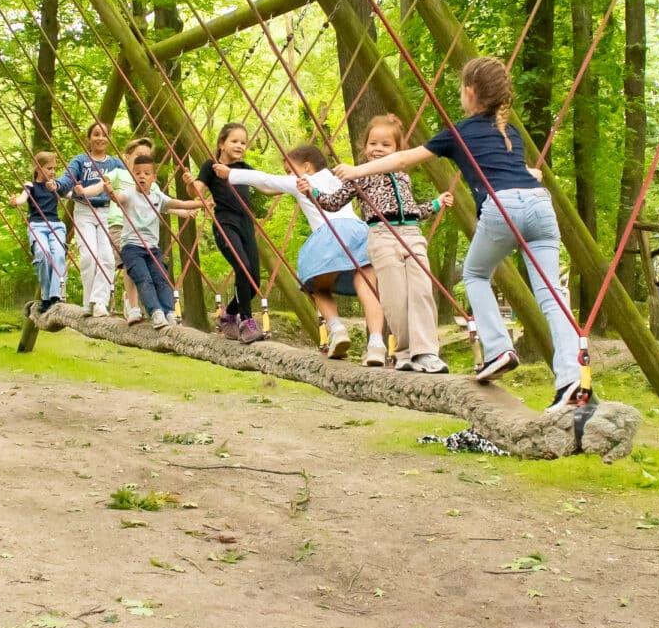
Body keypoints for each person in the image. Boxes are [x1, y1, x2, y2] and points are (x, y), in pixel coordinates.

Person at [334, 56, 583, 410]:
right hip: (540, 206)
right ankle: (570, 377)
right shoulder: (508, 131)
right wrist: (532, 173)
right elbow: (517, 169)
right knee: (552, 293)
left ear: (469, 92)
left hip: (502, 206)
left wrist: (357, 170)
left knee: (476, 273)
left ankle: (498, 349)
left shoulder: (459, 132)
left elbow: (404, 159)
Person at [300, 115, 453, 373]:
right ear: (365, 146)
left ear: (397, 150)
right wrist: (312, 193)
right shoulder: (359, 176)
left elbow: (413, 209)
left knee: (422, 291)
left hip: (412, 234)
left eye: (385, 145)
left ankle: (426, 351)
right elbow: (333, 202)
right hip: (382, 236)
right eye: (373, 143)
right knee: (395, 297)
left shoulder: (403, 177)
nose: (378, 149)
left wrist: (436, 204)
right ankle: (404, 353)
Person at [216, 143, 387, 367]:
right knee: (368, 287)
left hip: (328, 234)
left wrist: (231, 173)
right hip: (359, 233)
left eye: (289, 170)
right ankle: (376, 344)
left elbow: (266, 180)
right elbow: (271, 188)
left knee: (316, 286)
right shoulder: (341, 177)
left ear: (306, 167)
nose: (288, 176)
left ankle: (336, 329)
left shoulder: (302, 181)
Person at [102, 154, 203, 329]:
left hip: (152, 249)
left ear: (153, 178)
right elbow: (118, 198)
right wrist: (110, 191)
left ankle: (169, 312)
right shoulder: (129, 194)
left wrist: (202, 204)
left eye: (146, 173)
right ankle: (155, 312)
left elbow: (179, 203)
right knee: (144, 279)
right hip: (132, 248)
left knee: (161, 279)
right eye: (138, 173)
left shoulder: (157, 196)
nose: (142, 176)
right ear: (133, 176)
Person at [185, 123, 264, 344]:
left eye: (243, 142)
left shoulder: (244, 170)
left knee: (254, 282)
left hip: (246, 225)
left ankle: (228, 315)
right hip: (225, 224)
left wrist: (292, 185)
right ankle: (246, 321)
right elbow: (196, 192)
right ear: (222, 143)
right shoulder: (210, 166)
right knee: (243, 267)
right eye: (234, 141)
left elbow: (267, 186)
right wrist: (191, 184)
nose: (240, 146)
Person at [62, 122, 125, 318]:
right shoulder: (81, 161)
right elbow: (66, 179)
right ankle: (89, 300)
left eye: (104, 135)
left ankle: (99, 302)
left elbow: (129, 180)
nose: (100, 138)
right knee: (89, 256)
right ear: (89, 138)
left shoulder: (115, 163)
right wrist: (60, 187)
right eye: (96, 134)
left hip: (107, 211)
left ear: (109, 138)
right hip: (84, 211)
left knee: (106, 258)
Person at [11, 151, 69, 313]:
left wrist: (82, 191)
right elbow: (22, 199)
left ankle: (55, 296)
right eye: (49, 168)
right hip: (37, 226)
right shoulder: (31, 186)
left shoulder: (55, 185)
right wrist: (15, 201)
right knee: (43, 254)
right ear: (38, 168)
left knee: (58, 254)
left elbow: (72, 194)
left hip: (56, 226)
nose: (53, 172)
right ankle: (46, 296)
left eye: (54, 168)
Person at [107, 137, 154, 325]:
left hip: (141, 228)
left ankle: (132, 301)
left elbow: (161, 202)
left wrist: (185, 211)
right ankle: (131, 305)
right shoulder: (118, 173)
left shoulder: (148, 181)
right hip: (119, 224)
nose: (143, 160)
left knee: (142, 267)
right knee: (129, 263)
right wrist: (83, 192)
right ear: (127, 158)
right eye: (139, 156)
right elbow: (101, 184)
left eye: (147, 157)